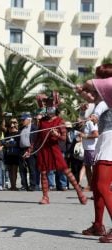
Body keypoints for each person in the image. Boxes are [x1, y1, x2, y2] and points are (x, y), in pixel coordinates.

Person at [77, 64, 112, 243]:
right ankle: (98, 224)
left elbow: (100, 105)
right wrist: (79, 90)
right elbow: (93, 98)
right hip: (104, 142)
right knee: (98, 188)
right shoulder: (105, 94)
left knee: (102, 186)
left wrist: (96, 115)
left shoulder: (109, 93)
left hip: (110, 141)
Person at [35, 91, 87, 205]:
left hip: (54, 149)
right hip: (44, 150)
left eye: (51, 105)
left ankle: (80, 193)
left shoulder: (60, 121)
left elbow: (63, 138)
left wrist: (57, 135)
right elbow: (37, 138)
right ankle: (45, 197)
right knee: (43, 173)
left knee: (66, 171)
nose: (49, 107)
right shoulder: (42, 121)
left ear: (55, 107)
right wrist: (30, 150)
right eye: (47, 105)